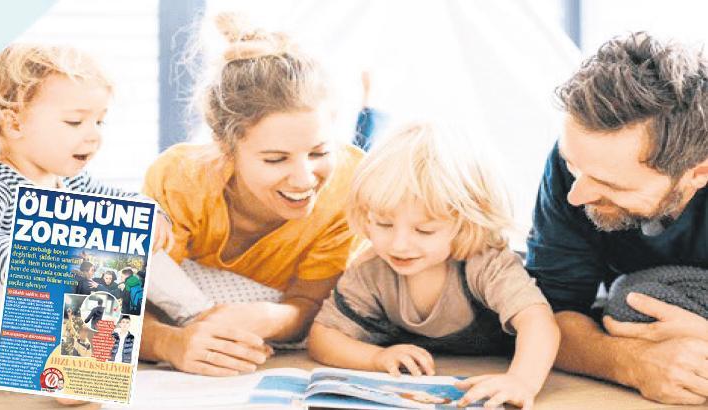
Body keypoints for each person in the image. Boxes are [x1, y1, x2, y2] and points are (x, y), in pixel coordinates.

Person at [141, 13, 363, 377]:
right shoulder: (182, 178)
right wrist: (168, 343)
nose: (304, 179)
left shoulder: (348, 185)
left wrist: (272, 317)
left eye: (319, 152)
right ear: (226, 149)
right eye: (275, 159)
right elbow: (128, 291)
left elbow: (312, 303)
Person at [309, 122, 559, 410]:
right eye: (384, 224)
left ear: (465, 224)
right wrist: (376, 358)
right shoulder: (370, 270)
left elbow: (538, 321)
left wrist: (521, 380)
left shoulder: (486, 262)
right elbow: (323, 337)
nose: (399, 245)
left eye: (424, 230)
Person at [525, 32, 708, 405]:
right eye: (573, 168)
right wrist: (631, 363)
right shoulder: (584, 161)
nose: (576, 196)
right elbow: (543, 316)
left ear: (697, 174)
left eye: (610, 185)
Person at [0, 43, 173, 384]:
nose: (94, 135)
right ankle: (50, 366)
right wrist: (35, 265)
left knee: (134, 225)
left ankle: (197, 313)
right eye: (75, 122)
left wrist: (151, 213)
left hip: (52, 314)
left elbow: (121, 201)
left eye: (99, 121)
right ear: (14, 124)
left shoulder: (73, 182)